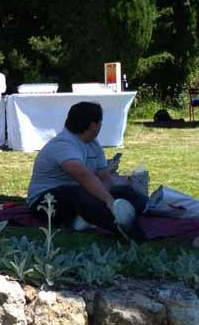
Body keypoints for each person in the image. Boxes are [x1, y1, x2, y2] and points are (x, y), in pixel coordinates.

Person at [27, 102, 146, 240]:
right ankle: (122, 227)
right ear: (93, 125)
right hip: (44, 203)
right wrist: (110, 202)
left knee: (123, 190)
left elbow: (105, 178)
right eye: (100, 122)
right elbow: (82, 176)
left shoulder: (94, 145)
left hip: (79, 197)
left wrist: (112, 196)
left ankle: (151, 210)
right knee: (74, 192)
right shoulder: (62, 144)